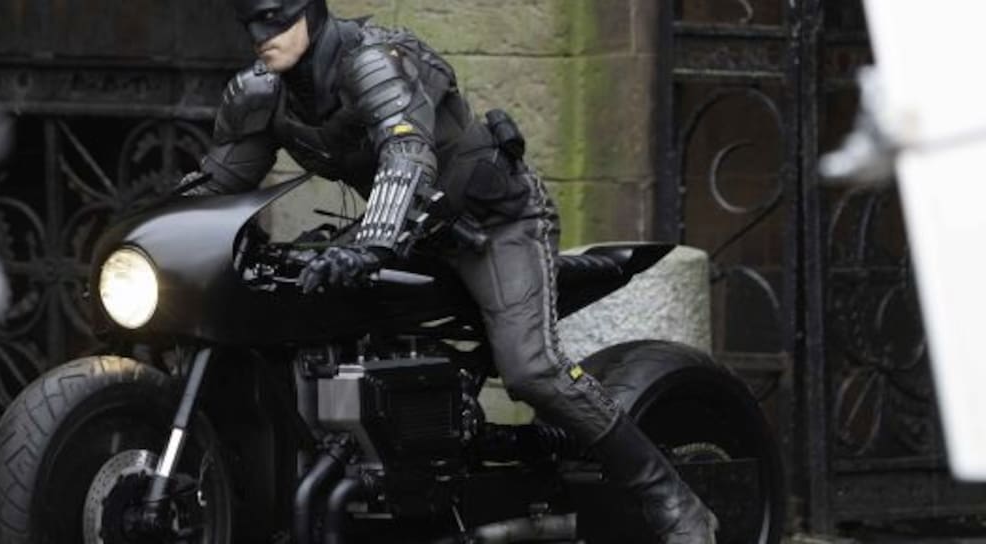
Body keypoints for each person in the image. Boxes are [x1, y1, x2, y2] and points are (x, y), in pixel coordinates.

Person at [186, 0, 719, 541]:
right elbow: (216, 187)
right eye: (250, 21)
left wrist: (372, 245)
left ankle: (671, 499)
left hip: (493, 225)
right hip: (412, 235)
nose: (261, 33)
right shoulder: (261, 94)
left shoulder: (374, 63)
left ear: (313, 12)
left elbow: (407, 157)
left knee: (532, 370)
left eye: (276, 17)